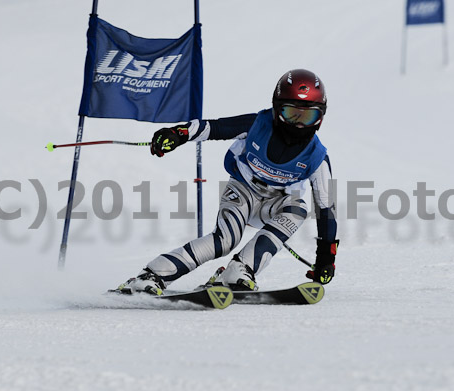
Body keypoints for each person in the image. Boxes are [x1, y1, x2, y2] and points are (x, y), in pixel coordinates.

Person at [118, 69, 339, 295]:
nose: (299, 124)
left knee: (298, 209)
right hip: (243, 190)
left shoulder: (317, 157)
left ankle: (239, 271)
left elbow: (326, 209)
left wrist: (326, 258)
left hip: (275, 202)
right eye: (291, 113)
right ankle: (150, 276)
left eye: (308, 116)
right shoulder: (257, 125)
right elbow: (214, 128)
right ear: (276, 108)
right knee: (225, 241)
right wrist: (178, 134)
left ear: (320, 117)